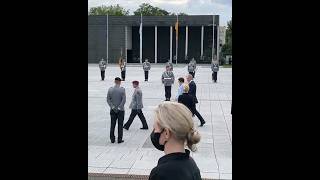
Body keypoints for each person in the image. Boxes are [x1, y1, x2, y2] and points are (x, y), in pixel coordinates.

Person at [149, 101, 202, 180]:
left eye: (155, 129)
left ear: (166, 133)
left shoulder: (160, 173)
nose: (154, 132)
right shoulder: (191, 163)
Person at [107, 77, 126, 143]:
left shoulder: (110, 89)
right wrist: (119, 107)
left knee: (112, 124)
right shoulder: (122, 90)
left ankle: (112, 139)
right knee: (120, 125)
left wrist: (112, 107)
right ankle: (119, 139)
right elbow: (124, 100)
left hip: (112, 110)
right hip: (120, 110)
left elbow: (108, 99)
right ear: (120, 82)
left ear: (115, 81)